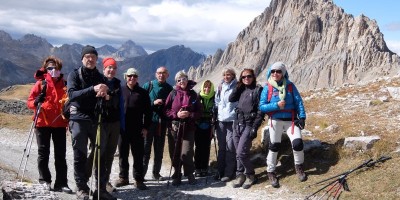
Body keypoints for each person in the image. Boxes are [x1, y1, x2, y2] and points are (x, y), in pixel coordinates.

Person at [67, 45, 116, 200]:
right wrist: (93, 89)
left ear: (96, 59)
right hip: (78, 118)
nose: (90, 59)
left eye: (93, 57)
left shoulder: (101, 77)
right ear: (82, 59)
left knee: (99, 153)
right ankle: (81, 188)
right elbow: (72, 95)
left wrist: (106, 96)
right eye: (87, 56)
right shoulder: (74, 74)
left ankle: (100, 189)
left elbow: (108, 98)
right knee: (80, 153)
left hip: (95, 119)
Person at [27, 56, 72, 193]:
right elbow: (30, 102)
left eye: (55, 68)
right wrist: (35, 102)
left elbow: (68, 102)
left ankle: (61, 183)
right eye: (49, 68)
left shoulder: (64, 85)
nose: (52, 70)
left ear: (59, 69)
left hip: (59, 123)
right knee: (43, 153)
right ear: (45, 69)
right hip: (42, 123)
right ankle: (44, 180)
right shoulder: (40, 84)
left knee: (60, 155)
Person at [259, 62, 307, 188]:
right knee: (274, 146)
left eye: (279, 71)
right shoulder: (267, 88)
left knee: (297, 143)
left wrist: (302, 117)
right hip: (275, 120)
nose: (276, 73)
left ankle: (298, 166)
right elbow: (262, 106)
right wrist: (276, 105)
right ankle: (271, 171)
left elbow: (298, 102)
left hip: (291, 120)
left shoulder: (290, 86)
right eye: (273, 71)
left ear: (283, 73)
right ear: (270, 72)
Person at [86, 57, 123, 193]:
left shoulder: (118, 84)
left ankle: (104, 183)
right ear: (104, 69)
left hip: (114, 122)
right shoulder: (98, 81)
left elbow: (119, 104)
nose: (111, 70)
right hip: (100, 122)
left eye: (114, 68)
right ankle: (88, 181)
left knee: (109, 154)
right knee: (97, 153)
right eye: (109, 68)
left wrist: (122, 125)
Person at [114, 68, 152, 190]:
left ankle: (138, 179)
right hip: (123, 129)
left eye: (134, 76)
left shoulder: (143, 93)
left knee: (138, 155)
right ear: (126, 77)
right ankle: (123, 177)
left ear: (137, 78)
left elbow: (148, 112)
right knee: (123, 155)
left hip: (138, 129)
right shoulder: (120, 90)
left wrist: (146, 127)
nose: (132, 78)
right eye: (130, 76)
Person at [164, 70, 203, 186]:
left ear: (187, 79)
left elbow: (199, 111)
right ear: (176, 82)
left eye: (184, 78)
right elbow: (166, 110)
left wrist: (190, 115)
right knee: (175, 151)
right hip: (175, 127)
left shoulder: (193, 94)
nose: (182, 81)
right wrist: (176, 115)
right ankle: (177, 174)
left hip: (189, 127)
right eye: (179, 80)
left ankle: (189, 173)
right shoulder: (173, 93)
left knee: (187, 151)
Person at [228, 69, 264, 189]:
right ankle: (240, 176)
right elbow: (231, 98)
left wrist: (255, 127)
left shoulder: (258, 90)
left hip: (249, 125)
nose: (246, 79)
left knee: (241, 152)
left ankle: (251, 175)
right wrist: (238, 86)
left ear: (253, 77)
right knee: (238, 152)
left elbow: (260, 111)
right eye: (243, 77)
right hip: (237, 123)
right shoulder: (242, 89)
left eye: (248, 76)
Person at [142, 66, 173, 181]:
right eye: (159, 73)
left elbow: (171, 106)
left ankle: (156, 173)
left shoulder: (169, 89)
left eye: (164, 73)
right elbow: (140, 102)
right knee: (145, 149)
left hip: (162, 123)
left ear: (167, 75)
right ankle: (141, 175)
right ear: (156, 74)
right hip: (148, 122)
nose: (161, 75)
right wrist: (153, 102)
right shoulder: (148, 86)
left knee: (159, 150)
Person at [214, 68, 238, 182]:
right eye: (224, 75)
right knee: (222, 147)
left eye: (228, 75)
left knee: (230, 147)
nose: (226, 77)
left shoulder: (238, 86)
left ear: (233, 75)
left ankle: (229, 172)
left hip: (232, 120)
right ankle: (220, 171)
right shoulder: (220, 87)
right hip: (221, 120)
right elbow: (217, 101)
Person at [194, 80, 215, 177]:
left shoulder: (214, 97)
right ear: (202, 88)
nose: (207, 89)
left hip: (209, 125)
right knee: (198, 146)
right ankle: (197, 167)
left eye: (209, 88)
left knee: (206, 147)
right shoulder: (198, 96)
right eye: (205, 87)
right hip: (198, 124)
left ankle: (204, 167)